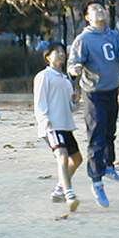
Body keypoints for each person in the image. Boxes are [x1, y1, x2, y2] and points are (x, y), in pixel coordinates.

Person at [68, 2, 119, 208]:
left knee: (109, 133)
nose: (99, 11)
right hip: (94, 93)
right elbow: (72, 63)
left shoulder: (112, 35)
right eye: (94, 9)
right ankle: (96, 181)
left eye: (101, 8)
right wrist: (75, 70)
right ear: (87, 17)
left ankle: (108, 166)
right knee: (96, 137)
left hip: (111, 91)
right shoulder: (83, 39)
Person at [34, 42, 82, 212]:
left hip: (66, 125)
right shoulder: (44, 76)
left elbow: (71, 107)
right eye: (57, 52)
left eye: (62, 52)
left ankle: (59, 190)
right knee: (62, 156)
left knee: (77, 159)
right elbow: (40, 101)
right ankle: (69, 194)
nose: (61, 54)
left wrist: (75, 101)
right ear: (48, 57)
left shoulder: (66, 79)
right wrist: (44, 120)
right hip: (52, 125)